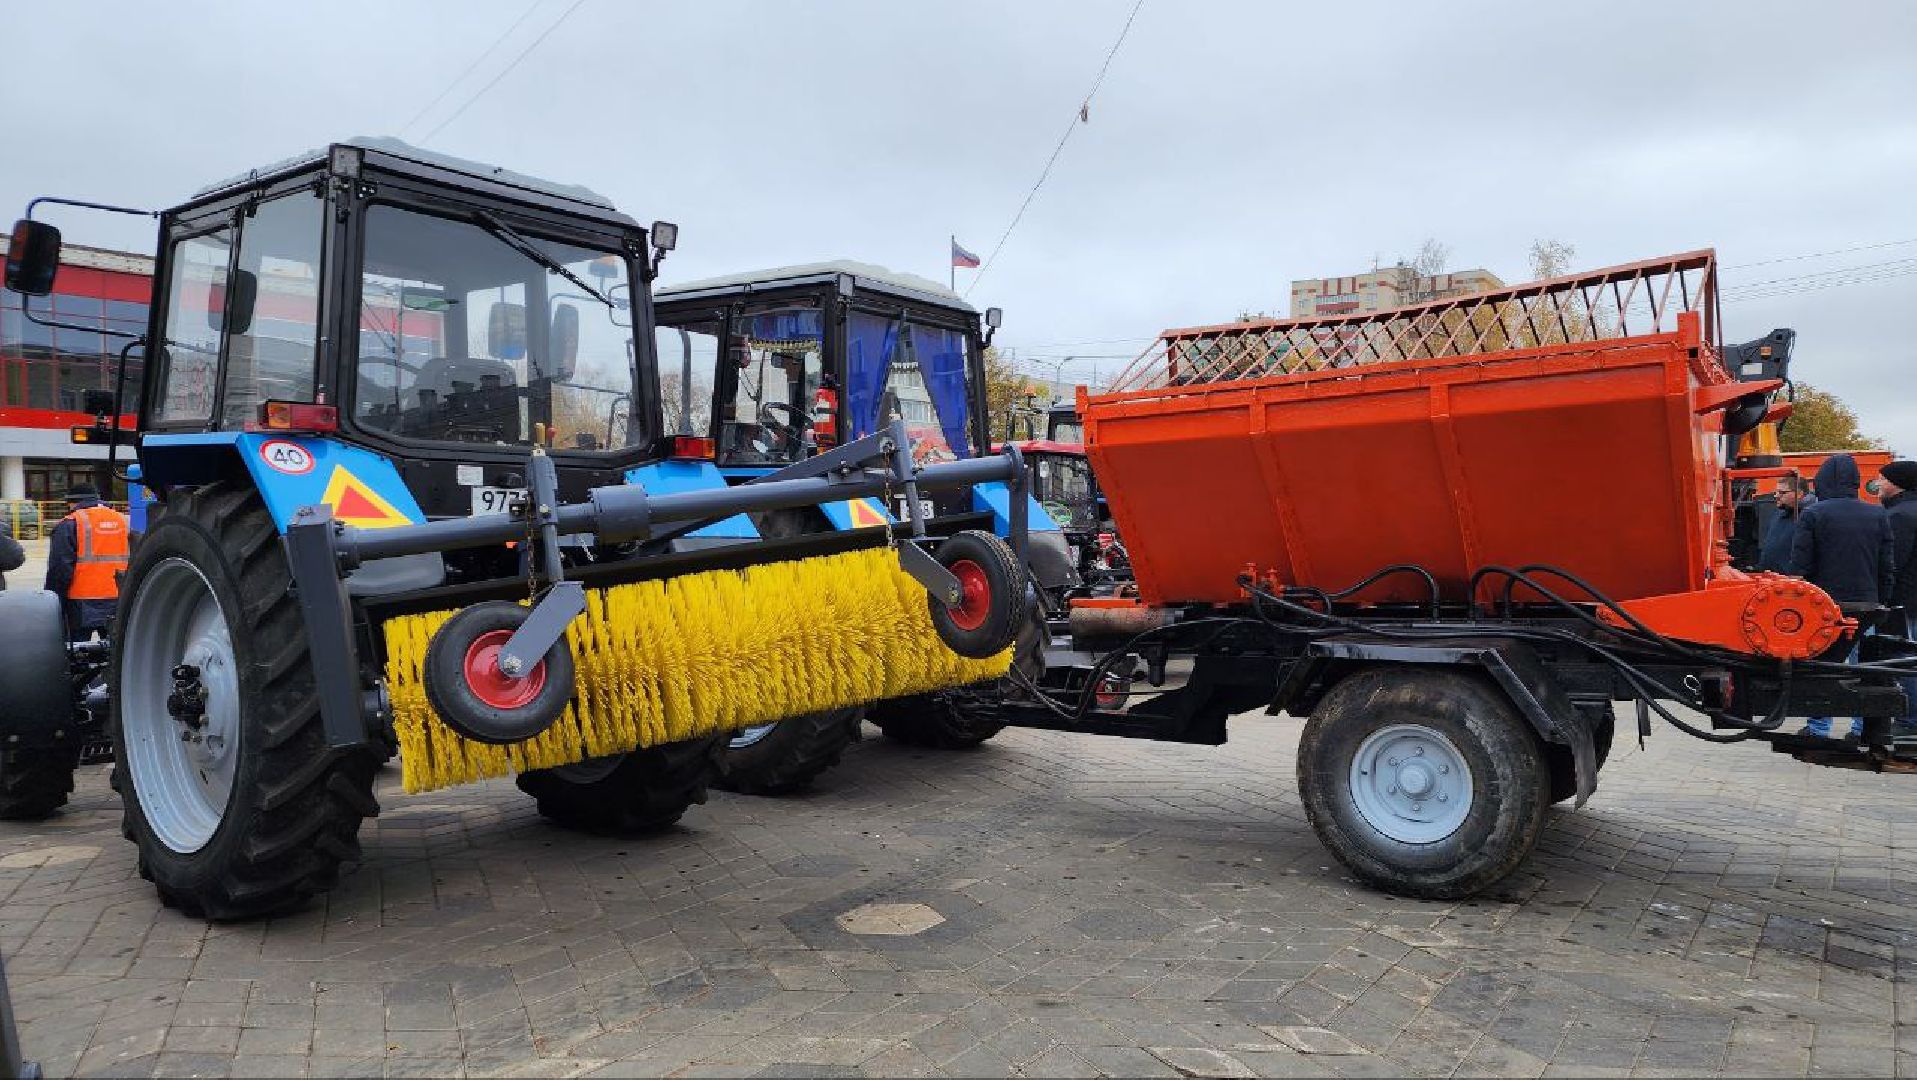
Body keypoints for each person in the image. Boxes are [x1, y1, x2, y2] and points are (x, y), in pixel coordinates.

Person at [1789, 453, 1895, 738]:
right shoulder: (1877, 514)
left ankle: (1818, 727)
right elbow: (1886, 566)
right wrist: (1881, 601)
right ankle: (1860, 728)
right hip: (1867, 602)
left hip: (1824, 605)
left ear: (1822, 481)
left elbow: (1800, 565)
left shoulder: (1813, 514)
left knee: (1822, 666)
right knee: (1864, 667)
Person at [44, 484, 131, 641]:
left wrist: (53, 600)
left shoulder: (70, 523)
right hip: (118, 597)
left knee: (76, 653)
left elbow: (60, 569)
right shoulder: (123, 520)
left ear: (73, 502)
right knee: (117, 651)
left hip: (80, 602)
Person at [1876, 459, 1917, 737]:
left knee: (1904, 660)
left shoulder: (1900, 516)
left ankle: (1908, 722)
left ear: (1897, 484)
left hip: (1906, 603)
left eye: (1883, 479)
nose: (1878, 484)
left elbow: (1892, 563)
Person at [1757, 471, 1811, 573]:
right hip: (1771, 579)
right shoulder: (1779, 514)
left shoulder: (1808, 518)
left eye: (1782, 492)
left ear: (1799, 494)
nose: (1776, 496)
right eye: (1776, 492)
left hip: (1791, 582)